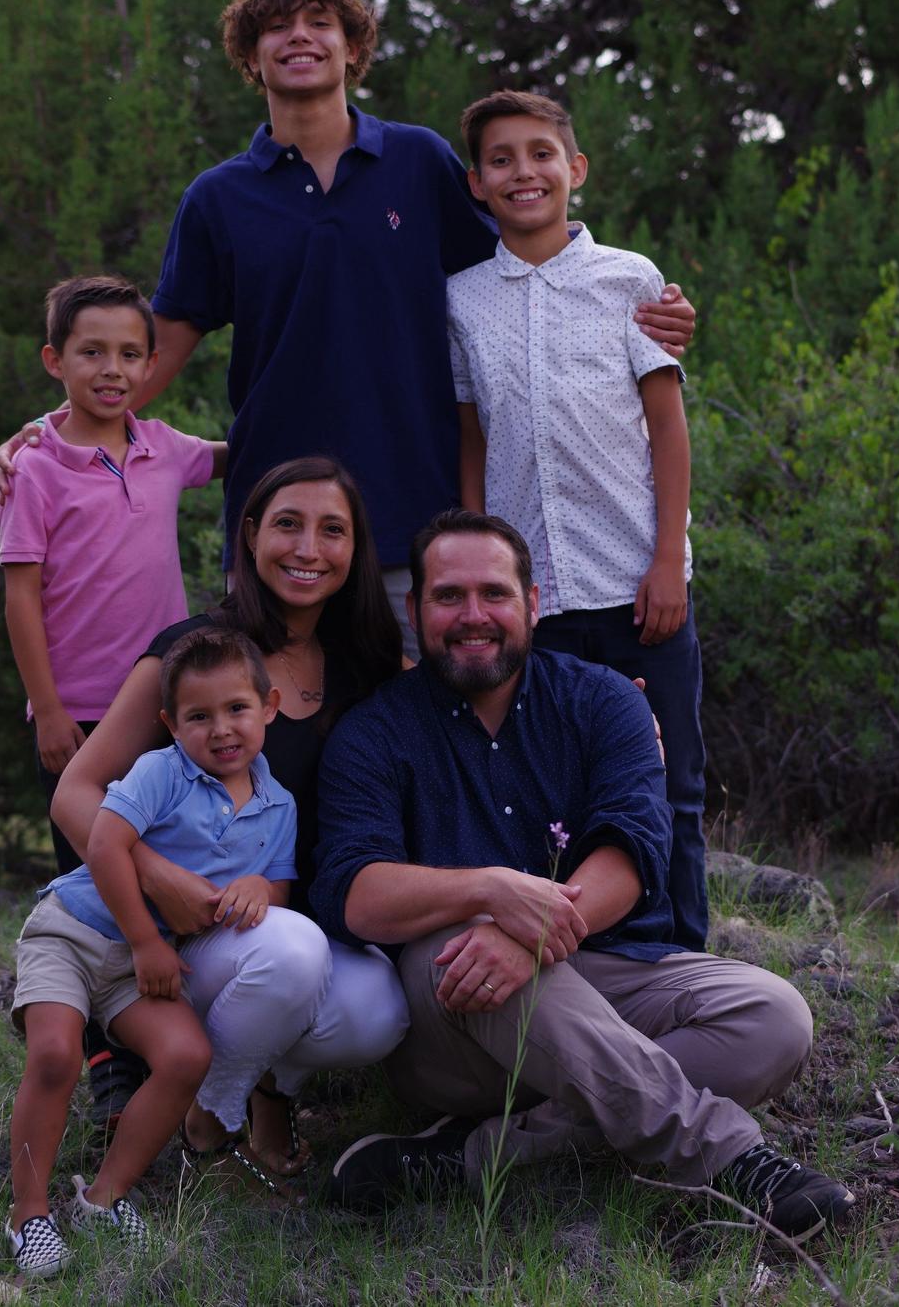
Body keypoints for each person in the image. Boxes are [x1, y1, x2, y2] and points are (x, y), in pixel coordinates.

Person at [0, 0, 694, 654]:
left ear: (352, 47)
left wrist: (631, 301)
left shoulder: (418, 163)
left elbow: (524, 265)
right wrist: (58, 431)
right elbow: (159, 344)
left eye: (319, 22)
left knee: (433, 741)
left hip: (420, 517)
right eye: (276, 27)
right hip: (278, 529)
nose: (299, 36)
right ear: (251, 56)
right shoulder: (217, 198)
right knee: (281, 737)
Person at [313, 511, 855, 1241]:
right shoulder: (372, 732)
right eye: (448, 597)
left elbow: (634, 853)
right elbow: (355, 890)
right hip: (451, 1008)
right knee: (476, 944)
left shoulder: (606, 702)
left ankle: (471, 1154)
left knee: (773, 1019)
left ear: (533, 604)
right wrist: (489, 894)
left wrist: (530, 938)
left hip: (596, 971)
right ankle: (731, 1159)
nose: (474, 616)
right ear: (415, 612)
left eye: (494, 594)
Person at [50, 456, 409, 1184]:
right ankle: (207, 1113)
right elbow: (73, 793)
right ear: (249, 535)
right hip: (186, 935)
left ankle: (269, 1085)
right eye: (287, 525)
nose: (308, 549)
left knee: (378, 1012)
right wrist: (155, 873)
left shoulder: (368, 664)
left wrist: (606, 703)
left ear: (355, 549)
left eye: (331, 530)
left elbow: (476, 697)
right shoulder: (194, 655)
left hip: (289, 919)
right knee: (292, 956)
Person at [447, 89, 709, 951]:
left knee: (668, 787)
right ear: (477, 183)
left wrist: (667, 560)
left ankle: (683, 965)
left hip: (636, 585)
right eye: (500, 159)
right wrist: (487, 581)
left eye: (540, 153)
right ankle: (583, 970)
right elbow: (474, 439)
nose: (523, 171)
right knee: (555, 791)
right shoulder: (463, 301)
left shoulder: (629, 280)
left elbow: (666, 429)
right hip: (537, 603)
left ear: (575, 169)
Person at [6, 626, 293, 1275]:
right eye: (198, 716)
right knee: (55, 1054)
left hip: (143, 963)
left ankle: (104, 1198)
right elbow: (106, 845)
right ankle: (29, 1216)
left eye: (237, 710)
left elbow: (280, 882)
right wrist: (143, 941)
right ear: (169, 723)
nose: (220, 730)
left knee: (186, 1055)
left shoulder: (279, 806)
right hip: (78, 932)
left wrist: (258, 886)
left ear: (269, 707)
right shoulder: (161, 771)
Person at [0, 274, 226, 866]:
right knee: (92, 872)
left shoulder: (165, 448)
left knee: (170, 858)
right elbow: (20, 598)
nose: (111, 370)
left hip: (164, 699)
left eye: (129, 355)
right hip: (77, 712)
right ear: (55, 360)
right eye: (91, 352)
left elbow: (238, 456)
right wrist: (46, 710)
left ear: (151, 365)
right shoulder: (33, 469)